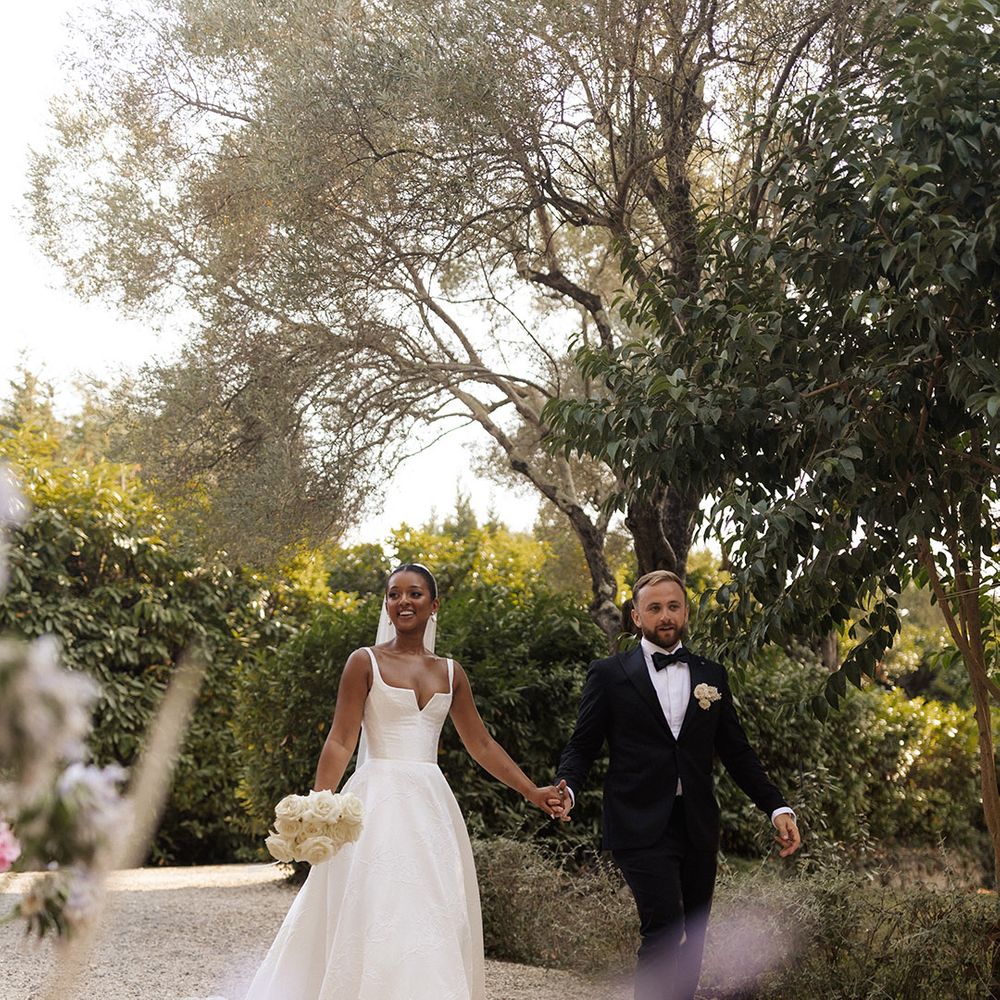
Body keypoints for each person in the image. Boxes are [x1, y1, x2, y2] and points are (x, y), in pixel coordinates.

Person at [195, 563, 564, 1000]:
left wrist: (531, 791)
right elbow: (341, 739)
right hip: (373, 804)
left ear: (434, 604)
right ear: (386, 605)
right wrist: (318, 808)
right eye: (394, 594)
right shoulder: (364, 661)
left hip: (430, 808)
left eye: (414, 593)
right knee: (372, 903)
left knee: (432, 907)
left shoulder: (452, 673)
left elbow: (481, 743)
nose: (403, 601)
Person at [555, 570, 801, 1000]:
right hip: (637, 822)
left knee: (693, 937)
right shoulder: (609, 674)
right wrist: (568, 789)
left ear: (686, 611)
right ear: (636, 617)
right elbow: (582, 744)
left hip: (697, 824)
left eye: (673, 606)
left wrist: (777, 807)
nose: (665, 615)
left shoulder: (712, 675)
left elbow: (737, 753)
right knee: (665, 928)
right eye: (654, 608)